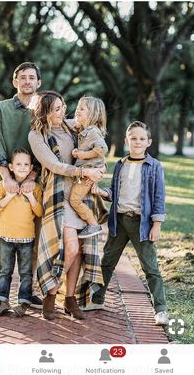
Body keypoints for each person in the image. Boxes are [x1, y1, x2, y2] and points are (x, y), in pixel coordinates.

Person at [0, 62, 43, 318]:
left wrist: (32, 177)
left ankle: (28, 292)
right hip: (3, 184)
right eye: (22, 77)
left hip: (33, 185)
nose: (26, 81)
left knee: (33, 243)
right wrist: (6, 177)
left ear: (38, 83)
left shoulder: (41, 111)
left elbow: (44, 145)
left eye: (31, 78)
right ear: (15, 82)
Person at [28, 90, 106, 321]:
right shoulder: (37, 135)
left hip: (81, 195)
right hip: (60, 196)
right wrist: (84, 170)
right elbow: (53, 165)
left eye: (64, 107)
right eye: (57, 109)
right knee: (69, 248)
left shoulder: (71, 126)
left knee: (81, 251)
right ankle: (51, 293)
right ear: (45, 113)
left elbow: (92, 129)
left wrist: (98, 168)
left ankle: (70, 299)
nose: (64, 112)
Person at [83, 121, 169, 326]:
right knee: (107, 262)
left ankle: (161, 310)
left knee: (150, 267)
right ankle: (97, 299)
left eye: (141, 139)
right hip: (119, 221)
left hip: (142, 224)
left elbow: (158, 197)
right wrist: (102, 192)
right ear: (126, 140)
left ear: (149, 142)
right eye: (133, 138)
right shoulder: (121, 164)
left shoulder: (154, 166)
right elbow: (115, 192)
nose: (137, 142)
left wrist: (156, 224)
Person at [0, 148, 43, 317]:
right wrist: (8, 196)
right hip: (6, 237)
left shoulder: (34, 188)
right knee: (5, 270)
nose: (22, 167)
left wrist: (31, 197)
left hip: (27, 239)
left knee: (26, 273)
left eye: (26, 164)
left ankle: (23, 302)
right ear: (11, 167)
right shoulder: (3, 185)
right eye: (18, 164)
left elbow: (39, 212)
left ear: (31, 169)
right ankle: (3, 301)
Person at [70, 96, 108, 238]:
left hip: (89, 171)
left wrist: (82, 155)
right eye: (78, 107)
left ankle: (93, 224)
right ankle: (103, 211)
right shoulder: (84, 129)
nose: (77, 111)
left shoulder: (92, 132)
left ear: (92, 114)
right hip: (90, 170)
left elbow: (102, 149)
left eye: (82, 109)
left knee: (75, 200)